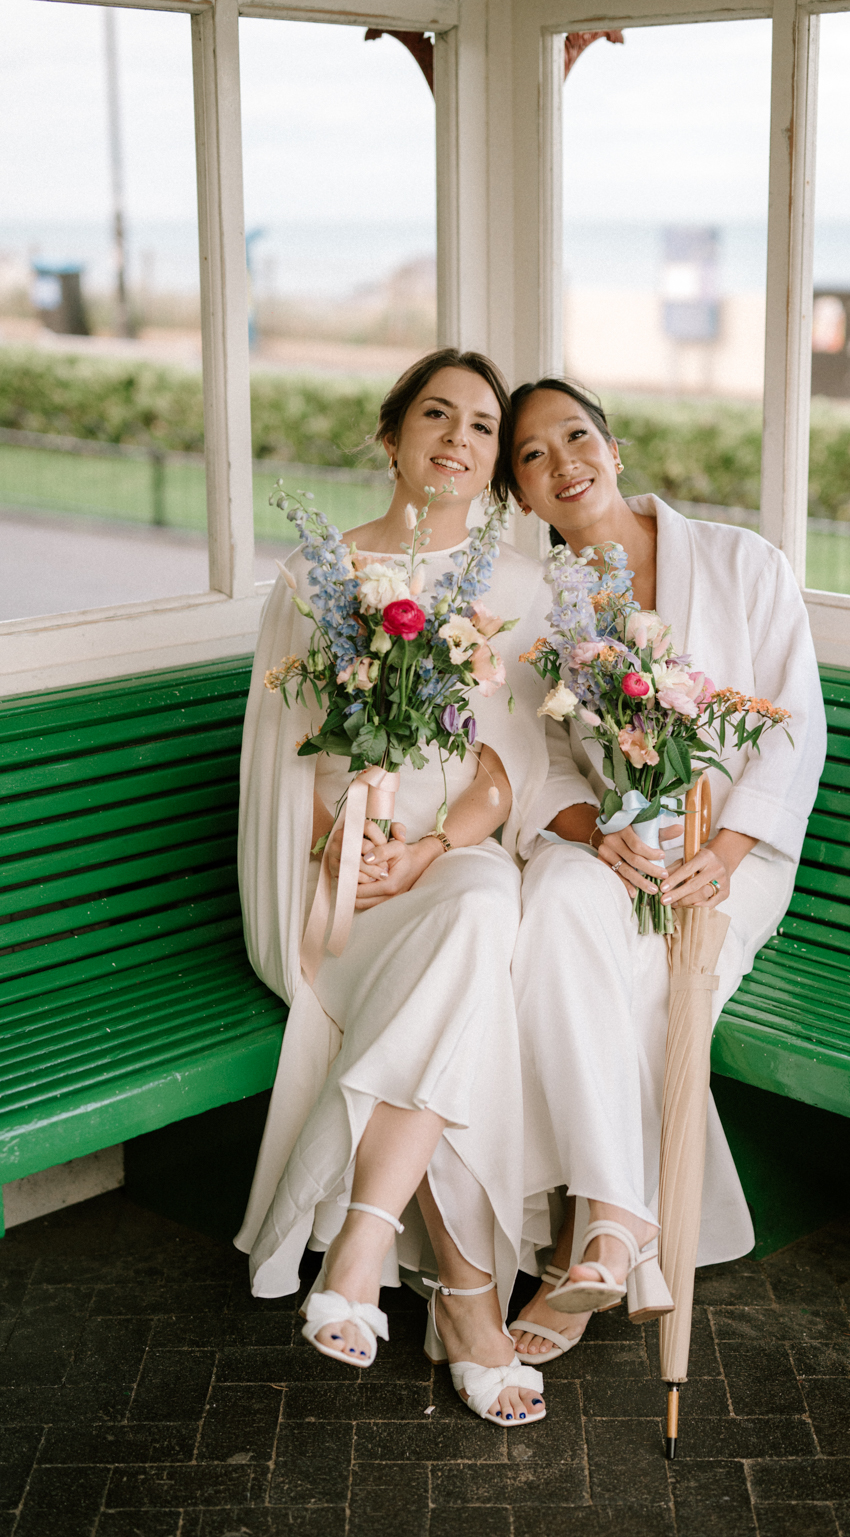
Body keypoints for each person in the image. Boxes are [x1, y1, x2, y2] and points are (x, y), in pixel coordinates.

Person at [234, 350, 576, 1425]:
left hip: (447, 851)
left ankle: (362, 1241)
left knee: (479, 904)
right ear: (393, 436)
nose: (459, 438)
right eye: (437, 414)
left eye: (483, 427)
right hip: (337, 875)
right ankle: (468, 1305)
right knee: (465, 966)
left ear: (494, 463)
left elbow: (505, 770)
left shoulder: (515, 589)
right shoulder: (318, 578)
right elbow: (281, 761)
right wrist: (346, 842)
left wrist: (429, 849)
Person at [506, 378, 827, 1363]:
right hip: (623, 847)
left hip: (735, 853)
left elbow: (794, 726)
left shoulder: (742, 562)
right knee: (550, 902)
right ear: (518, 494)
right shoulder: (539, 609)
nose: (562, 463)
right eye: (531, 454)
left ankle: (587, 1240)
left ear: (613, 449)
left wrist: (724, 855)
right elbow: (542, 759)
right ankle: (623, 1218)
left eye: (576, 436)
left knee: (649, 979)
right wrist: (594, 834)